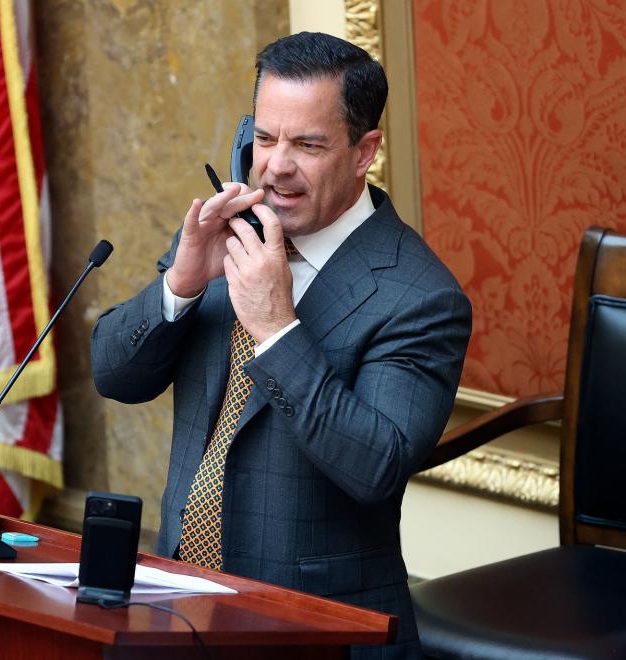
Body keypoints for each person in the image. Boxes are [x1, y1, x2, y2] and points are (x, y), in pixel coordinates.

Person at [90, 31, 470, 659]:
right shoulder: (231, 234)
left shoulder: (418, 295)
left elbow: (374, 466)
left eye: (308, 144)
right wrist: (179, 287)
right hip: (179, 603)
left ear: (363, 151)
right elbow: (114, 376)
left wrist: (276, 328)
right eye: (264, 138)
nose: (275, 166)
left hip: (317, 628)